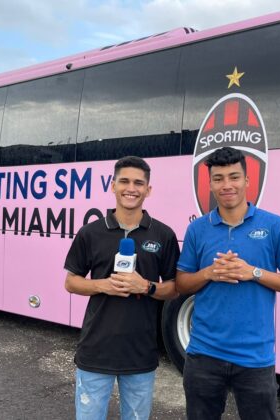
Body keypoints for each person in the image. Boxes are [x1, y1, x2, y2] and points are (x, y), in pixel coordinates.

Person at [176, 147, 280, 420]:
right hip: (203, 354)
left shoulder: (275, 226)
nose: (227, 185)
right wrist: (208, 273)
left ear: (247, 181)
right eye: (218, 178)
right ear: (210, 184)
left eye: (234, 177)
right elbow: (182, 284)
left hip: (255, 358)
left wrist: (252, 272)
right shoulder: (197, 229)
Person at [64, 156, 180, 420]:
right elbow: (71, 282)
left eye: (138, 183)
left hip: (140, 352)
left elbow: (174, 289)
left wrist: (147, 286)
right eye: (124, 181)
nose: (131, 188)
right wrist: (102, 285)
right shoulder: (90, 232)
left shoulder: (163, 235)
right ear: (112, 186)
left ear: (148, 190)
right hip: (96, 350)